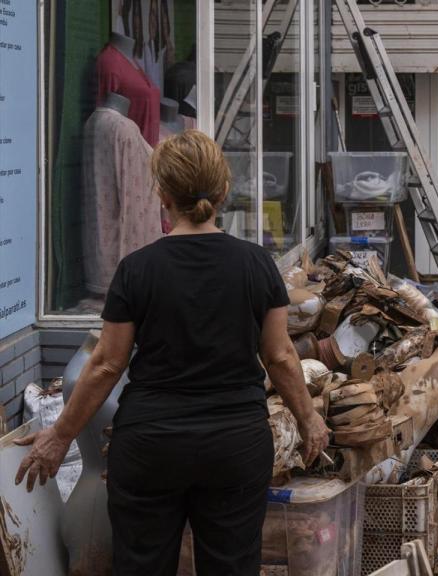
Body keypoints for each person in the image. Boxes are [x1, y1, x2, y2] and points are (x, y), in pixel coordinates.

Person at [14, 130, 331, 574]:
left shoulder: (137, 270)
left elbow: (106, 363)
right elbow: (279, 357)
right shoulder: (257, 265)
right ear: (223, 191)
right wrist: (308, 417)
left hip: (150, 450)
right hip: (234, 447)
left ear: (161, 193)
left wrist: (60, 435)